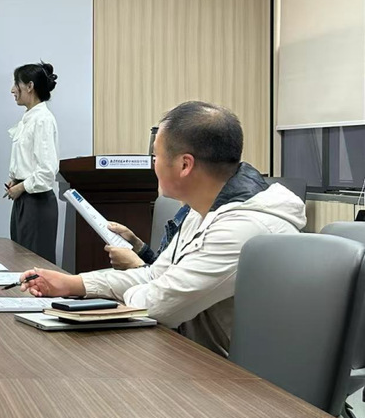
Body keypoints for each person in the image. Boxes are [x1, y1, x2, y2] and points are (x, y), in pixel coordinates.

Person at [20, 101, 306, 356]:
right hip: (196, 357)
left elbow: (158, 305)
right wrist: (75, 284)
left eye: (155, 156)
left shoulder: (243, 229)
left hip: (236, 381)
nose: (152, 164)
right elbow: (155, 275)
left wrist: (139, 290)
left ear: (184, 164)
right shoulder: (203, 209)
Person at [4, 62, 60, 262]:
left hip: (36, 202)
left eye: (16, 84)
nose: (12, 90)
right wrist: (15, 180)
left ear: (29, 86)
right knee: (20, 261)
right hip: (24, 200)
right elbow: (28, 161)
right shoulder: (29, 118)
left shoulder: (43, 119)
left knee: (34, 265)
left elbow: (47, 172)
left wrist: (20, 187)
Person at [105, 206, 190, 270]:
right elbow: (159, 269)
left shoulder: (195, 218)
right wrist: (136, 245)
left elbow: (173, 284)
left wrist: (136, 264)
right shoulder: (185, 212)